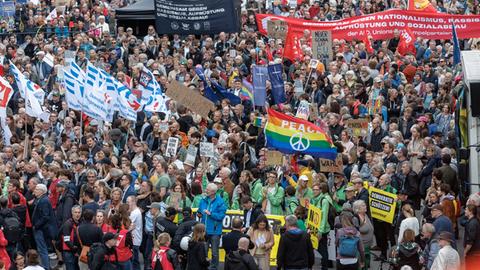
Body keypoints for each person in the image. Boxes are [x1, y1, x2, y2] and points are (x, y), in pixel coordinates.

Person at [198, 183, 226, 270]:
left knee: (214, 252)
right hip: (204, 231)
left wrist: (211, 214)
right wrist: (199, 214)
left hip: (215, 231)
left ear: (213, 192)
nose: (206, 191)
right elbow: (199, 211)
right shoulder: (203, 200)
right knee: (204, 251)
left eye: (208, 190)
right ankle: (204, 267)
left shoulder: (220, 201)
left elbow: (221, 216)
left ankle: (214, 268)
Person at [31, 184, 57, 270]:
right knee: (42, 249)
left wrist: (36, 225)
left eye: (37, 189)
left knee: (42, 250)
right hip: (41, 228)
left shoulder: (44, 201)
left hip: (41, 229)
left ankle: (46, 267)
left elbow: (46, 216)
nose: (35, 190)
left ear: (42, 191)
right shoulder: (40, 199)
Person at [317, 182, 334, 270]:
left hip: (323, 228)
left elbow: (324, 216)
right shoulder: (325, 198)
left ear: (322, 190)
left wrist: (320, 231)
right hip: (324, 227)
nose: (316, 191)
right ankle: (326, 265)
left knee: (322, 248)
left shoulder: (325, 200)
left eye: (318, 189)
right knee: (323, 248)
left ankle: (325, 266)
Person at [353, 200, 373, 270]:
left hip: (368, 245)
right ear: (358, 209)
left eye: (365, 205)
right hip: (361, 246)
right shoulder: (356, 218)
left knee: (366, 264)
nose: (365, 206)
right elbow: (355, 232)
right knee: (361, 264)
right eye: (363, 205)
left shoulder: (365, 215)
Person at [61, 205, 82, 270]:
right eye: (75, 212)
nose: (77, 214)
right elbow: (66, 240)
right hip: (69, 252)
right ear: (72, 213)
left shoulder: (79, 223)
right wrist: (74, 249)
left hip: (74, 251)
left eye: (79, 212)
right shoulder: (68, 224)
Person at [127, 195, 143, 269]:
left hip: (135, 240)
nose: (127, 203)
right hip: (134, 239)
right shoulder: (134, 211)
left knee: (134, 261)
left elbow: (129, 226)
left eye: (128, 202)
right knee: (135, 260)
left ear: (133, 202)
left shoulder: (135, 213)